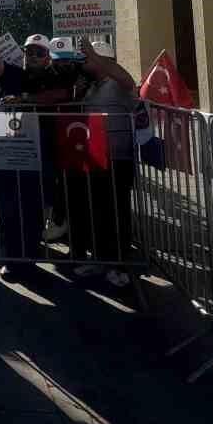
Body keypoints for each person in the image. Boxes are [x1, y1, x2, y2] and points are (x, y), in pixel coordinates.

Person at [65, 38, 141, 288]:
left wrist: (95, 56)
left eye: (88, 58)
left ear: (102, 59)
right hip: (94, 157)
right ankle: (99, 258)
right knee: (96, 211)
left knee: (116, 212)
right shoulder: (91, 86)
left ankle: (119, 265)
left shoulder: (118, 84)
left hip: (118, 159)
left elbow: (128, 80)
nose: (84, 61)